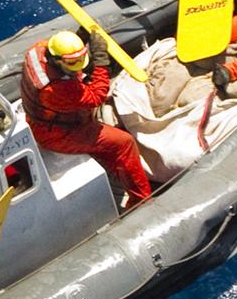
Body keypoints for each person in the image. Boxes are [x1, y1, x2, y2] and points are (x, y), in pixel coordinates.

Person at [21, 28, 153, 206]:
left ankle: (110, 162)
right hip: (59, 134)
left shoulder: (37, 49)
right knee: (124, 143)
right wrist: (101, 62)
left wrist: (80, 38)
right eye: (72, 61)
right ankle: (140, 200)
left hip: (45, 120)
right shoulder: (55, 88)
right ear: (56, 59)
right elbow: (96, 97)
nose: (77, 64)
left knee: (107, 139)